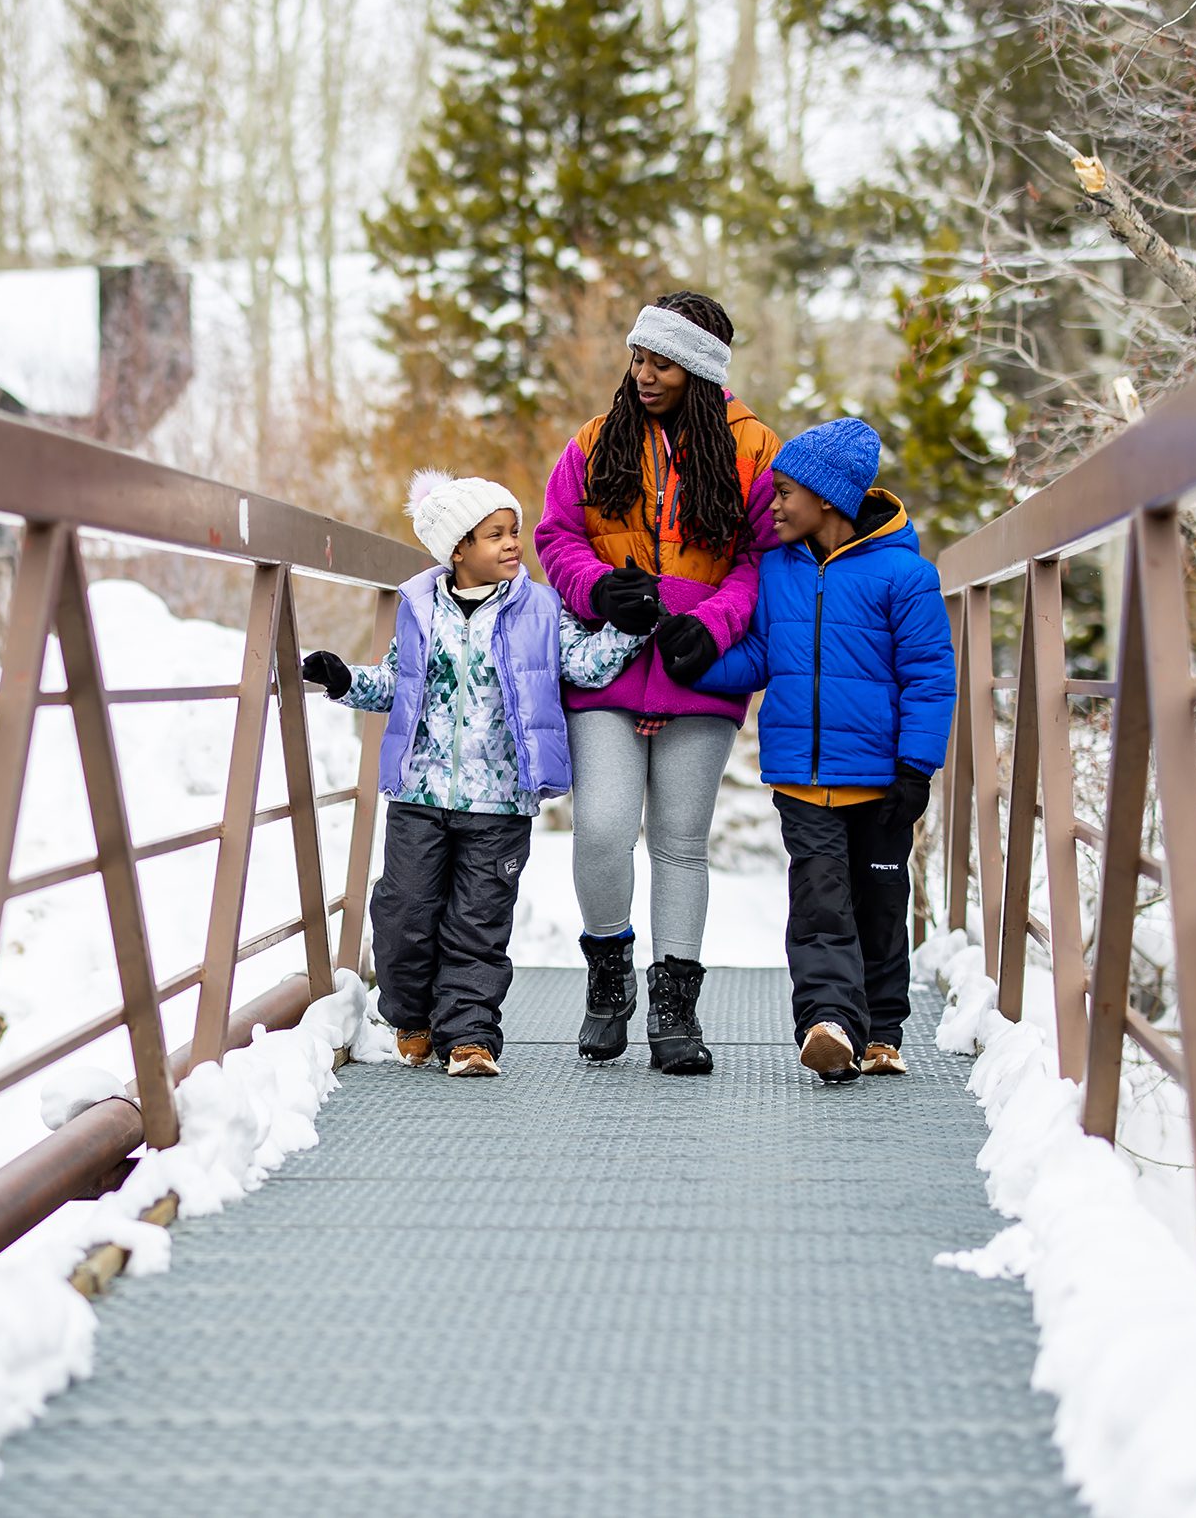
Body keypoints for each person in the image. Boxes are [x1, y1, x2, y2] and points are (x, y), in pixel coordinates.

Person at [302, 472, 645, 1078]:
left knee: (478, 920)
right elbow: (396, 685)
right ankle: (412, 1017)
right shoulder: (418, 608)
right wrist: (345, 680)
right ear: (458, 549)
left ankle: (470, 1035)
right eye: (496, 535)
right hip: (419, 793)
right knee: (404, 911)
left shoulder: (540, 608)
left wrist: (629, 625)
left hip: (501, 801)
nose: (514, 544)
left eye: (515, 532)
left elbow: (583, 665)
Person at [534, 291, 781, 1074]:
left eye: (661, 362)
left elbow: (759, 563)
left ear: (699, 371)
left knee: (679, 842)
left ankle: (676, 1012)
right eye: (638, 358)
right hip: (607, 668)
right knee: (603, 827)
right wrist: (597, 588)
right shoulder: (596, 439)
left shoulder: (756, 451)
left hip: (697, 670)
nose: (642, 374)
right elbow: (556, 535)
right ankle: (609, 981)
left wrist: (711, 627)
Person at [688, 418, 955, 1083]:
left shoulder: (905, 575)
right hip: (802, 775)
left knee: (880, 903)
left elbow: (929, 673)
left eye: (783, 493)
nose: (772, 506)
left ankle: (882, 1031)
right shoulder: (777, 571)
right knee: (819, 904)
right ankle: (828, 1022)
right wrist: (692, 663)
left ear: (826, 498)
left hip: (881, 777)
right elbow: (759, 655)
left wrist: (917, 766)